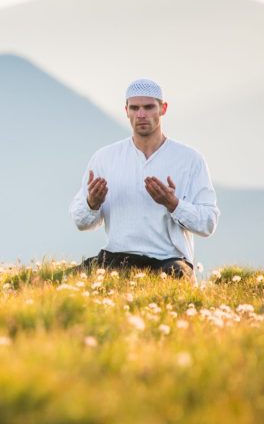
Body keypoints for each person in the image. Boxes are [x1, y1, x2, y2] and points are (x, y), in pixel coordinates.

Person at [69, 78, 219, 279]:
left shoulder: (190, 160)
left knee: (174, 281)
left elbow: (208, 223)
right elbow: (80, 221)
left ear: (163, 108)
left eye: (149, 107)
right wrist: (92, 203)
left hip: (169, 260)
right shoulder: (105, 158)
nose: (141, 114)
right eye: (135, 108)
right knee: (53, 282)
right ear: (126, 110)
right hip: (116, 257)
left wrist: (173, 204)